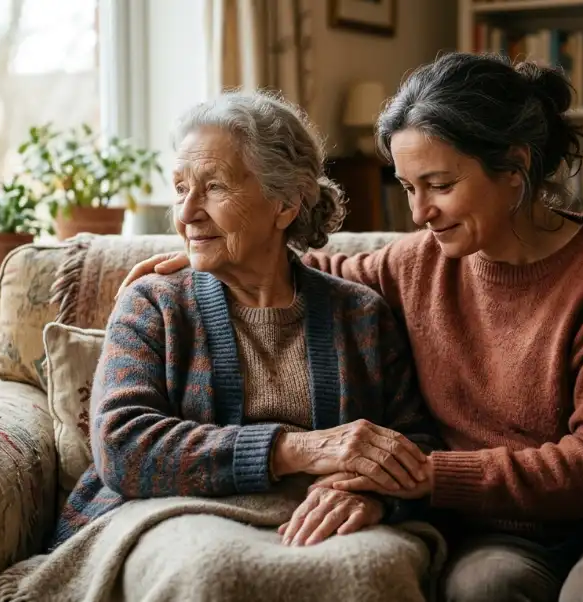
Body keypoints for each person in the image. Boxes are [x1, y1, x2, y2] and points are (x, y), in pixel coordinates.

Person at [120, 52, 583, 602]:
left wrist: (422, 475)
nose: (419, 213)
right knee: (481, 587)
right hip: (503, 533)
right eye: (408, 188)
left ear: (515, 169)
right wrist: (216, 248)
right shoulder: (418, 261)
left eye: (440, 186)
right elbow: (303, 270)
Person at [53, 90, 439, 552]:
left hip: (314, 523)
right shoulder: (154, 303)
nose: (187, 213)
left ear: (285, 204)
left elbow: (415, 448)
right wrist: (297, 449)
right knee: (214, 565)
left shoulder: (360, 315)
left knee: (377, 565)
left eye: (213, 187)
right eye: (180, 188)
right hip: (171, 517)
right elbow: (122, 445)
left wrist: (372, 498)